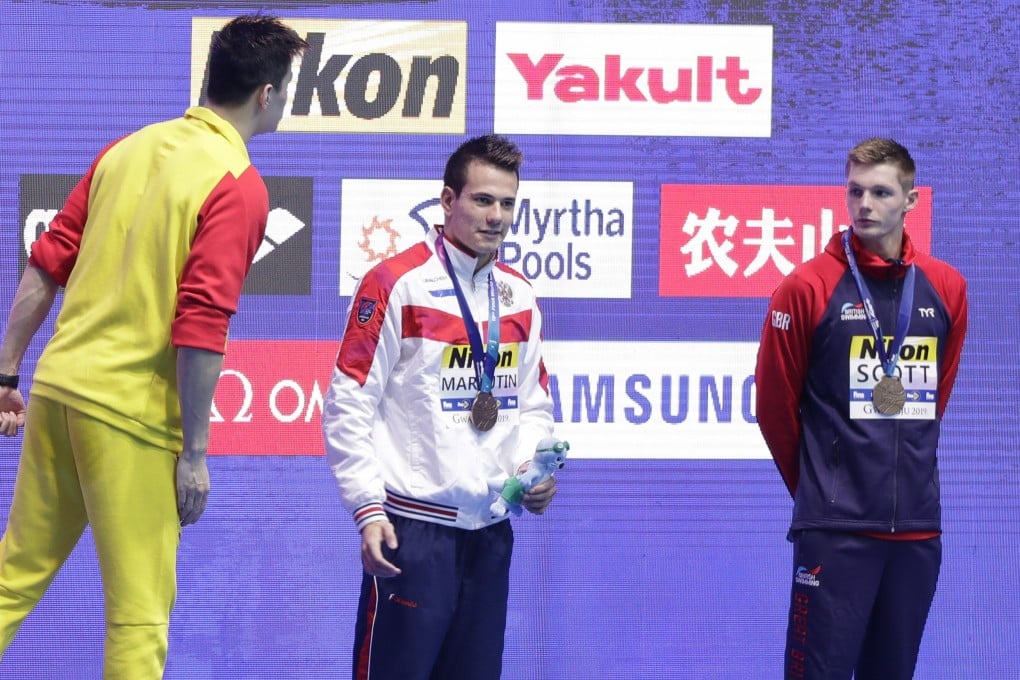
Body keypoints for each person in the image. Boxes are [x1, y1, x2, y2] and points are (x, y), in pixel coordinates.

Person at [0, 15, 307, 678]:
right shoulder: (237, 183)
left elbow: (45, 264)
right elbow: (201, 323)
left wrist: (5, 374)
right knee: (139, 618)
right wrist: (194, 453)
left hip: (57, 391)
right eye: (287, 90)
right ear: (265, 95)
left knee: (11, 583)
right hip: (131, 416)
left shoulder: (127, 149)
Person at [322, 134, 560, 680]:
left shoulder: (520, 295)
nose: (496, 216)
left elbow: (531, 406)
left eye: (507, 203)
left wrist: (531, 470)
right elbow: (348, 404)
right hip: (412, 534)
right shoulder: (396, 284)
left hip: (490, 536)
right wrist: (368, 508)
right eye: (483, 200)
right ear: (448, 200)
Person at [755, 138, 968, 679]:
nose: (865, 204)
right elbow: (775, 408)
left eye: (880, 192)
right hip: (835, 532)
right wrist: (823, 490)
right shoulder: (806, 287)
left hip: (916, 533)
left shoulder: (946, 288)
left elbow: (932, 404)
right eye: (855, 191)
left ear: (911, 200)